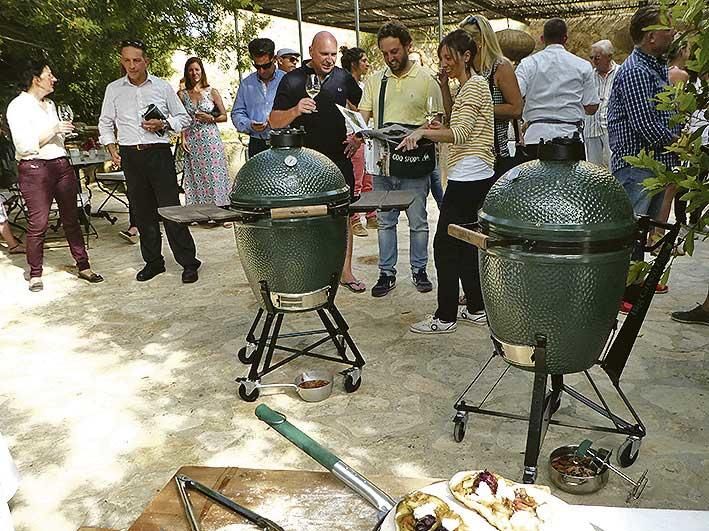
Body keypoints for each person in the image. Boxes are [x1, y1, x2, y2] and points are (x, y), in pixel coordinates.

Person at [398, 30, 495, 334]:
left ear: (467, 56)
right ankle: (477, 308)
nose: (444, 63)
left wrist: (422, 133)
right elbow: (457, 122)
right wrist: (443, 87)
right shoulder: (469, 86)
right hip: (474, 172)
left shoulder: (475, 86)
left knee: (444, 246)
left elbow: (460, 134)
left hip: (469, 174)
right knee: (464, 242)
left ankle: (445, 317)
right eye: (441, 58)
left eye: (449, 57)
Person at [353, 21, 443, 297]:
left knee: (418, 220)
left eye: (395, 51)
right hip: (383, 161)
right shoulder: (375, 79)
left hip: (416, 161)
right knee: (385, 219)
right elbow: (363, 115)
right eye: (385, 53)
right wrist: (356, 131)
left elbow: (437, 119)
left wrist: (420, 132)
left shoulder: (427, 79)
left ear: (408, 46)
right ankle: (386, 272)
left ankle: (419, 270)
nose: (391, 58)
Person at [99, 39, 201, 284]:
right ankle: (153, 262)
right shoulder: (114, 89)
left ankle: (189, 262)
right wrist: (111, 148)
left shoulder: (162, 87)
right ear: (121, 61)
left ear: (146, 61)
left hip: (158, 152)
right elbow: (105, 122)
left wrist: (163, 124)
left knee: (171, 210)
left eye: (136, 60)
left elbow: (183, 118)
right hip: (130, 155)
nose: (131, 65)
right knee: (142, 212)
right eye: (126, 60)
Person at [270, 31, 365, 293]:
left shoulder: (343, 77)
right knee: (305, 218)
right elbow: (273, 121)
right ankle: (309, 271)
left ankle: (346, 272)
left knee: (343, 215)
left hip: (338, 158)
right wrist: (295, 110)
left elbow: (363, 109)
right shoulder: (292, 80)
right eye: (324, 54)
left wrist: (358, 136)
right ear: (311, 50)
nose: (329, 60)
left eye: (334, 54)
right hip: (303, 163)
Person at [6, 60, 103, 292]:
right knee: (38, 222)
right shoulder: (18, 106)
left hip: (60, 165)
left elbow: (54, 140)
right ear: (35, 78)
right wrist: (54, 129)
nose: (54, 78)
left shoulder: (50, 104)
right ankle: (35, 273)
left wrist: (62, 134)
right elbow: (25, 145)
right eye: (49, 74)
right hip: (34, 169)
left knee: (72, 217)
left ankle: (83, 265)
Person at [607, 6, 679, 254]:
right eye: (668, 29)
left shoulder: (654, 67)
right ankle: (625, 291)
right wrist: (680, 143)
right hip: (637, 168)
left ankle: (633, 289)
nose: (673, 33)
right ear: (651, 36)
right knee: (631, 237)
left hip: (653, 165)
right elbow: (645, 125)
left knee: (640, 236)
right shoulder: (636, 71)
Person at [515, 18, 599, 159]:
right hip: (571, 138)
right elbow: (592, 107)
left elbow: (515, 97)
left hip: (535, 137)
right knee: (572, 182)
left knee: (535, 181)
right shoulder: (583, 66)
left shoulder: (528, 64)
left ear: (542, 39)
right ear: (565, 38)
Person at [459, 14, 523, 178]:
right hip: (470, 156)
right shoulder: (466, 71)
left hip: (497, 155)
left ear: (479, 42)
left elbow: (516, 109)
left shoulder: (500, 67)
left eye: (463, 40)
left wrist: (479, 109)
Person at [178, 57, 231, 208]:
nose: (194, 73)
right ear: (187, 73)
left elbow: (224, 116)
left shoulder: (212, 92)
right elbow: (180, 119)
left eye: (196, 69)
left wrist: (211, 118)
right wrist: (183, 138)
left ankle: (221, 210)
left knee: (215, 174)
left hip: (210, 139)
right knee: (196, 176)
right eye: (190, 70)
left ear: (202, 71)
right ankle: (199, 211)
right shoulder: (182, 95)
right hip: (192, 139)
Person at [340, 45, 376, 237]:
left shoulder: (364, 87)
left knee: (369, 176)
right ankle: (354, 219)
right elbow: (357, 111)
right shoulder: (344, 87)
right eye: (363, 60)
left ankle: (371, 215)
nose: (367, 64)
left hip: (367, 135)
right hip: (352, 135)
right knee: (356, 180)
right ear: (354, 64)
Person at [232, 38, 285, 159]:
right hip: (257, 143)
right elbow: (237, 113)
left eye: (266, 66)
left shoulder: (286, 80)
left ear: (274, 59)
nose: (261, 70)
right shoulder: (246, 84)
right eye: (257, 66)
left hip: (284, 141)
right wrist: (249, 125)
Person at [584, 39, 619, 168]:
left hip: (612, 128)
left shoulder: (621, 73)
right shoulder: (588, 76)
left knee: (614, 166)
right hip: (591, 128)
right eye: (591, 57)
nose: (593, 61)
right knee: (592, 170)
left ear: (609, 56)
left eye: (597, 58)